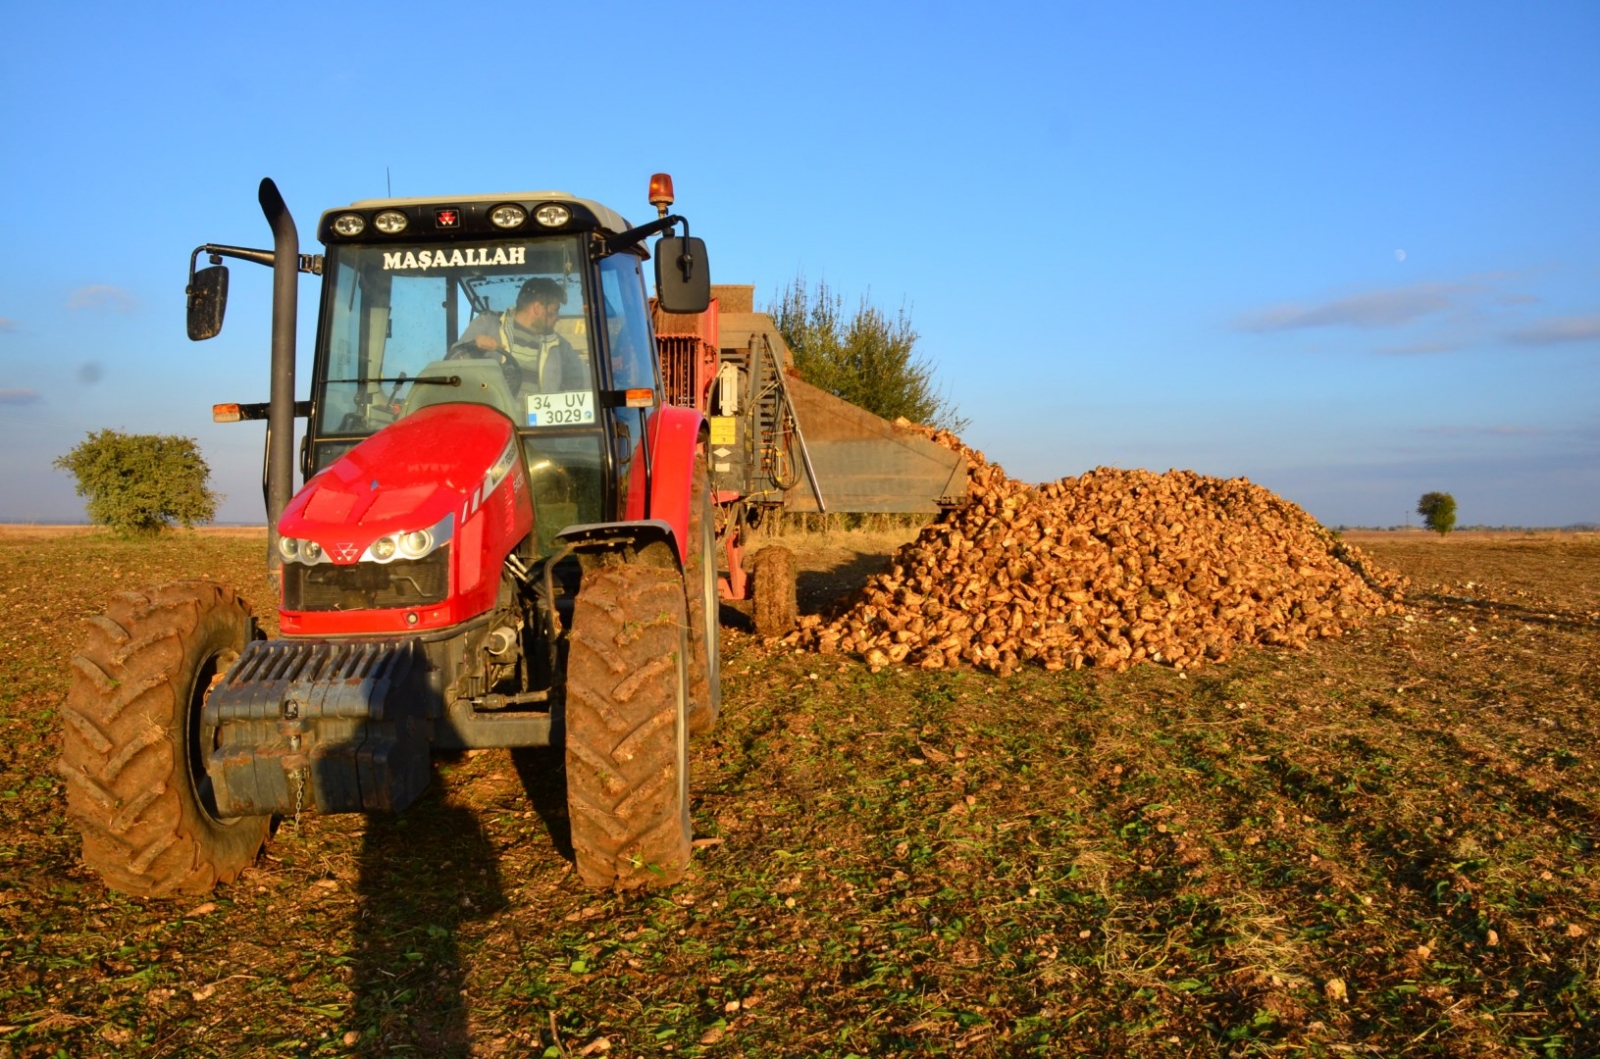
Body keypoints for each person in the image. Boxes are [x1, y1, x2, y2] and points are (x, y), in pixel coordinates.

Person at [448, 277, 585, 394]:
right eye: (553, 312)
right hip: (494, 421)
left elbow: (584, 381)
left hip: (540, 425)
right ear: (537, 308)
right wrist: (475, 346)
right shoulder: (487, 324)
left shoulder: (560, 346)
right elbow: (452, 368)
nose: (557, 318)